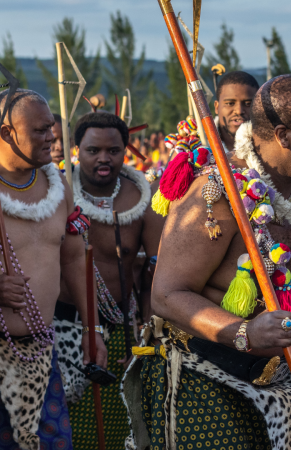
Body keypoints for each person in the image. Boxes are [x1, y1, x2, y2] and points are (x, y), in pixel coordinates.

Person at [122, 74, 291, 449]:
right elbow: (167, 294)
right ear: (284, 136)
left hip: (285, 383)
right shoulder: (219, 192)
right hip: (203, 377)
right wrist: (244, 332)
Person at [0, 88, 107, 450]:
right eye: (39, 130)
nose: (52, 137)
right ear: (5, 134)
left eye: (51, 128)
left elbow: (75, 259)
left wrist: (92, 329)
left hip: (41, 355)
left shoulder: (57, 185)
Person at [51, 112, 163, 449]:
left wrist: (145, 334)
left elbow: (154, 271)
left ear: (125, 150)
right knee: (65, 427)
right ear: (76, 150)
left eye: (113, 151)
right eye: (93, 150)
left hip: (123, 328)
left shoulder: (142, 199)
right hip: (64, 326)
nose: (103, 158)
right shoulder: (56, 194)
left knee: (117, 427)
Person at [214, 70, 260, 152]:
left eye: (248, 104)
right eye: (230, 103)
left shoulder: (272, 147)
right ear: (217, 107)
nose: (239, 111)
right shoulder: (196, 144)